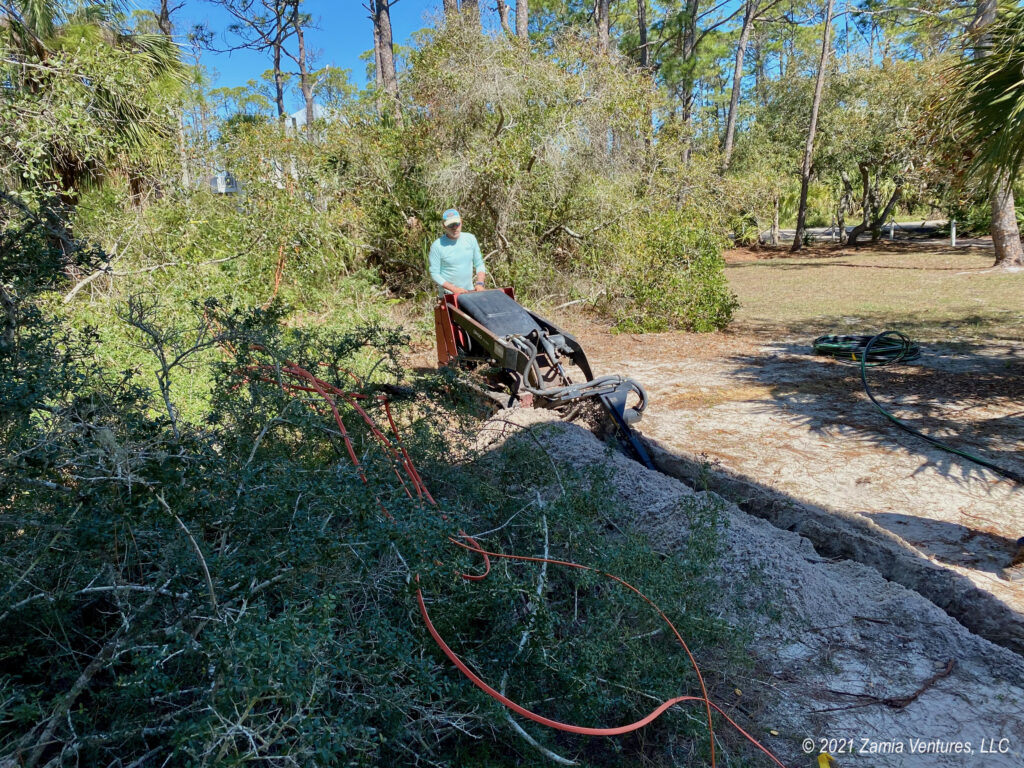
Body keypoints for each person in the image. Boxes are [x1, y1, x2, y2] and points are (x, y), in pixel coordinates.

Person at [428, 208, 487, 295]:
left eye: (457, 224)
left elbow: (479, 264)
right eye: (450, 225)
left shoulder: (470, 239)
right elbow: (434, 274)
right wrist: (454, 289)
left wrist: (480, 283)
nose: (454, 228)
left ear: (461, 222)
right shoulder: (437, 246)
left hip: (469, 292)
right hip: (448, 295)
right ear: (444, 226)